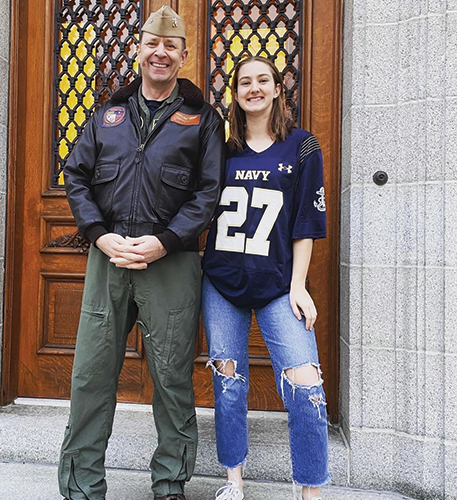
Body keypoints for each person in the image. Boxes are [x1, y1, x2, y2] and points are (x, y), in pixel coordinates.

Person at [58, 6, 224, 500]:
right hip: (108, 256)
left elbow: (208, 192)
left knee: (171, 376)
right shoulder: (107, 115)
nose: (161, 52)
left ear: (184, 56)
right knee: (91, 373)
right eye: (153, 43)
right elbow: (76, 175)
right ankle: (82, 485)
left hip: (169, 261)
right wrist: (98, 233)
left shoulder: (202, 120)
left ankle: (170, 482)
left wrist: (164, 242)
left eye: (171, 46)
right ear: (138, 48)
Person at [202, 56, 331, 500]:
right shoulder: (221, 149)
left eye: (263, 81)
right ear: (234, 93)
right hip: (222, 281)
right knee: (229, 381)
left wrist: (299, 285)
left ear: (278, 88)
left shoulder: (302, 146)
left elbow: (306, 223)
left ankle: (310, 490)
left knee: (305, 382)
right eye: (244, 83)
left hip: (279, 283)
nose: (253, 88)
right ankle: (234, 481)